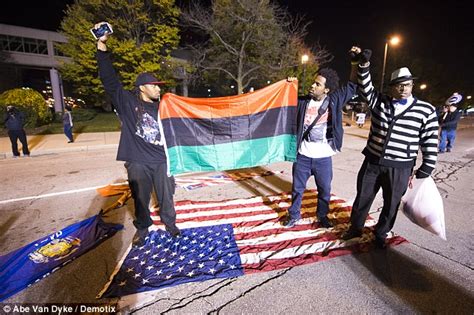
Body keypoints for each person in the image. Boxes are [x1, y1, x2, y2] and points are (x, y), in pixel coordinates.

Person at [94, 22, 180, 246]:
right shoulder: (127, 102)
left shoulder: (165, 106)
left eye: (159, 86)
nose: (158, 89)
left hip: (162, 160)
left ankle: (170, 224)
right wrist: (101, 45)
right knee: (140, 199)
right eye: (154, 86)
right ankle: (143, 228)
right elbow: (109, 80)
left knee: (166, 197)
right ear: (142, 87)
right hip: (138, 161)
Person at [342, 51, 439, 249]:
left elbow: (430, 140)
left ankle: (381, 233)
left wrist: (427, 166)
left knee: (391, 203)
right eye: (399, 85)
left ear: (412, 85)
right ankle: (355, 228)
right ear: (392, 87)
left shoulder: (426, 110)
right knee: (363, 198)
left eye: (408, 84)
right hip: (372, 162)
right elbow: (365, 84)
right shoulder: (379, 101)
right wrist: (364, 64)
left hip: (400, 167)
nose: (404, 88)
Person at [282, 46, 362, 229]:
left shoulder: (334, 100)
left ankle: (322, 216)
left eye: (317, 84)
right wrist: (288, 84)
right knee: (297, 190)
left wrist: (355, 63)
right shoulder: (302, 101)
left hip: (323, 158)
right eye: (313, 82)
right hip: (302, 156)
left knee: (324, 191)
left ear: (326, 90)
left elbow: (352, 85)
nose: (312, 85)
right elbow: (283, 102)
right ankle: (293, 215)